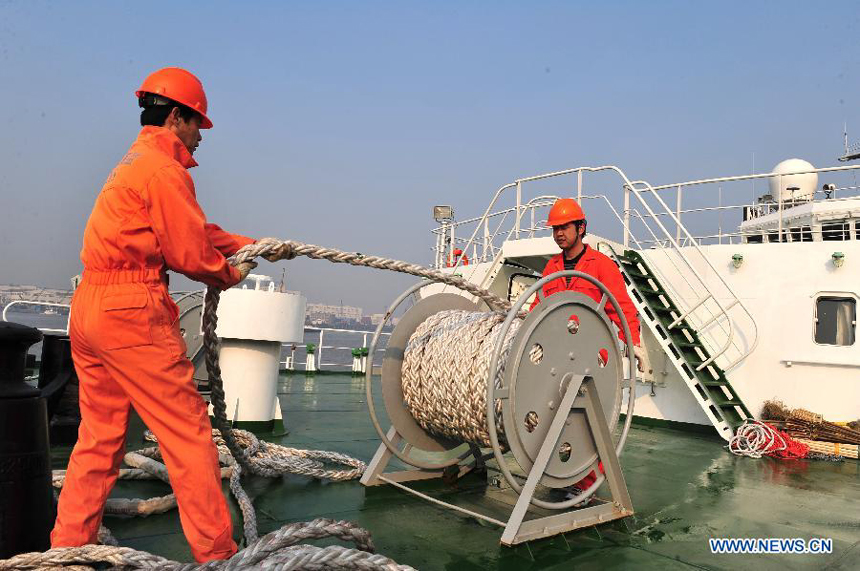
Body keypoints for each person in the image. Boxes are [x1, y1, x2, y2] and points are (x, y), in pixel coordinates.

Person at [51, 67, 274, 562]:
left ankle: (67, 549)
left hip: (90, 308)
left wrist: (250, 245)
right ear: (177, 117)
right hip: (132, 309)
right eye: (198, 125)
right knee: (188, 435)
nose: (200, 137)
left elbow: (190, 228)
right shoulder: (164, 171)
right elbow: (191, 253)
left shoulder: (135, 164)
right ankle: (218, 556)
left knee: (99, 437)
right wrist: (231, 273)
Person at [529, 198, 643, 494]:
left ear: (581, 228)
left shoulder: (601, 266)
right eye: (555, 229)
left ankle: (586, 486)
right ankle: (563, 476)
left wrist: (635, 344)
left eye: (564, 227)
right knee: (558, 417)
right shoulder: (551, 268)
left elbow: (622, 307)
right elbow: (538, 307)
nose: (558, 234)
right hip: (561, 356)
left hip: (594, 358)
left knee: (594, 424)